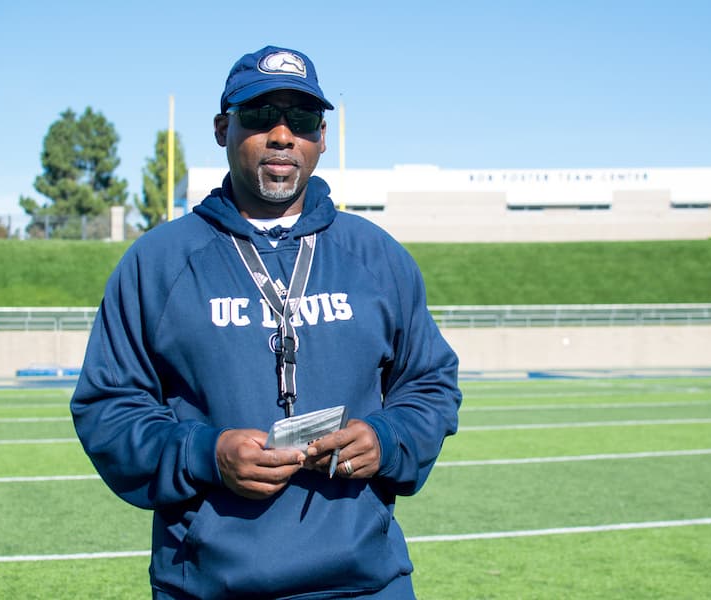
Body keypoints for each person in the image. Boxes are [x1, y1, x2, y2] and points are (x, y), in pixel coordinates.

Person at [70, 45, 462, 599]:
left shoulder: (376, 256)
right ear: (222, 129)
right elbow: (107, 408)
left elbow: (430, 383)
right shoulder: (158, 262)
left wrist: (388, 437)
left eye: (301, 119)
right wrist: (205, 454)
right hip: (210, 583)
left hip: (364, 581)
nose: (282, 135)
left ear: (321, 137)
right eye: (259, 115)